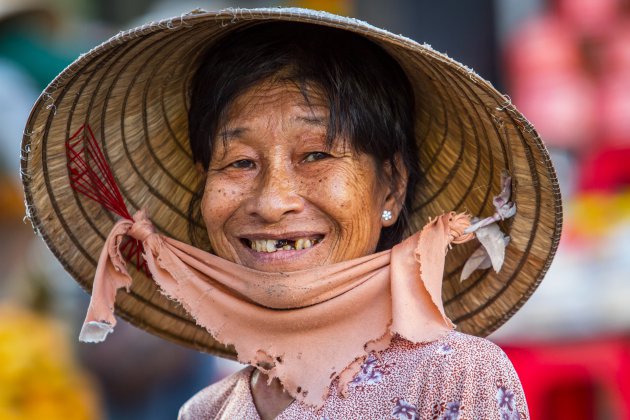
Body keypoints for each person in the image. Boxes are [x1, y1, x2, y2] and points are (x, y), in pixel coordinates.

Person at [20, 8, 562, 420]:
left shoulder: (454, 377)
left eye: (316, 155)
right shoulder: (206, 411)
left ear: (390, 185)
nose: (273, 200)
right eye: (239, 162)